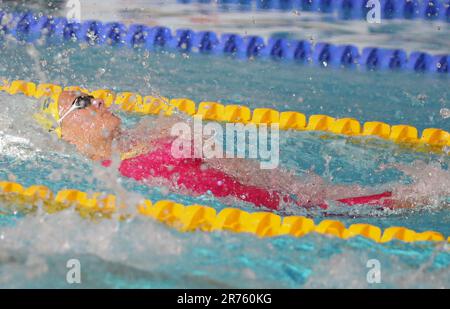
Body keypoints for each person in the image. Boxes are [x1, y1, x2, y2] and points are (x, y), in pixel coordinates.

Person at [38, 90, 403, 211]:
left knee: (399, 198)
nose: (100, 100)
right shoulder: (105, 179)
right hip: (283, 215)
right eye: (84, 101)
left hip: (298, 199)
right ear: (65, 131)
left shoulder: (148, 136)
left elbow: (245, 167)